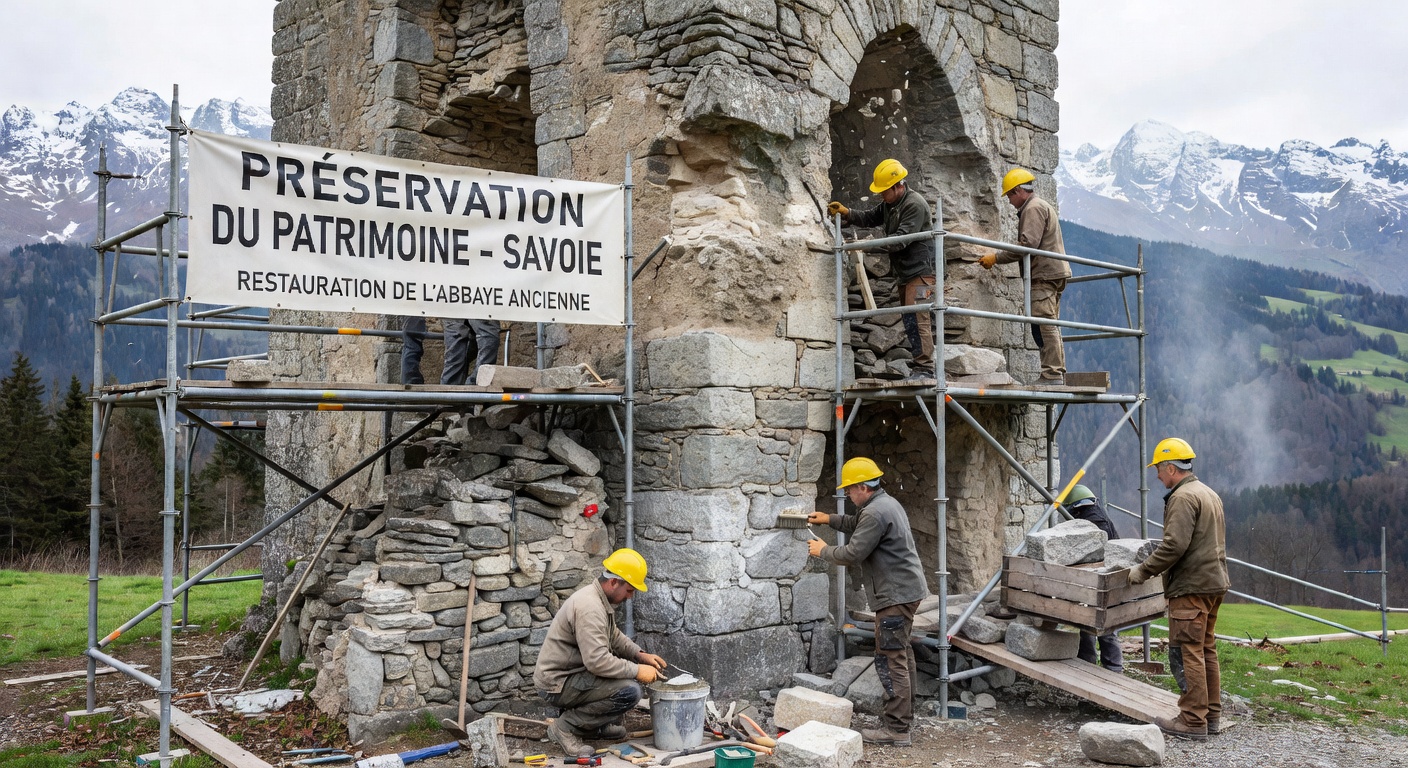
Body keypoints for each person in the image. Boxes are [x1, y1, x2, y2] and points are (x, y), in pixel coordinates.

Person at [808, 457, 928, 746]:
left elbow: (853, 552)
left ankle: (897, 729)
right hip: (905, 591)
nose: (848, 495)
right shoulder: (883, 504)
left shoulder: (874, 513)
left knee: (891, 658)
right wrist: (829, 519)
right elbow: (858, 524)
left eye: (850, 490)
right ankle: (905, 717)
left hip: (894, 595)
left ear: (863, 486)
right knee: (901, 653)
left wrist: (823, 550)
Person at [1128, 438, 1229, 741]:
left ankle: (1192, 720)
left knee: (1188, 652)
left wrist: (1143, 570)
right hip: (1214, 583)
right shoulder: (1208, 493)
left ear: (1171, 468)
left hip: (1191, 586)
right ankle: (1211, 715)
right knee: (1205, 648)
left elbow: (1174, 545)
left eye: (1159, 469)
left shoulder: (1183, 498)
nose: (1157, 476)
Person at [533, 549, 667, 757]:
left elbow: (613, 636)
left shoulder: (598, 598)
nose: (630, 597)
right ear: (614, 582)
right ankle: (565, 727)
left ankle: (592, 727)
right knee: (629, 691)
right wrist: (637, 670)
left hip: (573, 674)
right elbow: (597, 662)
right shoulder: (590, 607)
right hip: (557, 683)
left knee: (624, 680)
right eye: (630, 590)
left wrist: (640, 655)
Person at [828, 159, 937, 380]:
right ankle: (919, 364)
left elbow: (899, 241)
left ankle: (925, 368)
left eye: (883, 191)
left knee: (918, 318)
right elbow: (870, 217)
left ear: (898, 186)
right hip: (906, 272)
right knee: (910, 319)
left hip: (921, 272)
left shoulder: (914, 204)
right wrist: (847, 213)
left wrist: (867, 244)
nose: (881, 196)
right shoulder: (892, 204)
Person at [979, 168, 1072, 385]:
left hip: (1043, 274)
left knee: (1044, 324)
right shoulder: (1040, 205)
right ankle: (1055, 372)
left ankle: (1052, 374)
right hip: (1052, 272)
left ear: (1019, 190)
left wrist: (996, 257)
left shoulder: (1033, 208)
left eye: (1010, 195)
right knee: (1047, 324)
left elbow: (1027, 245)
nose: (1010, 201)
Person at [1064, 484, 1124, 673]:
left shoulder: (1092, 522)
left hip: (1101, 581)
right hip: (1101, 581)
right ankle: (1101, 668)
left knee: (1103, 627)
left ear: (1075, 507)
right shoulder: (1098, 515)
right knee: (1094, 625)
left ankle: (1110, 670)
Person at [400, 316, 501, 386]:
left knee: (456, 338)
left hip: (453, 294)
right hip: (461, 294)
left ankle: (453, 388)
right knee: (483, 333)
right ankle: (470, 384)